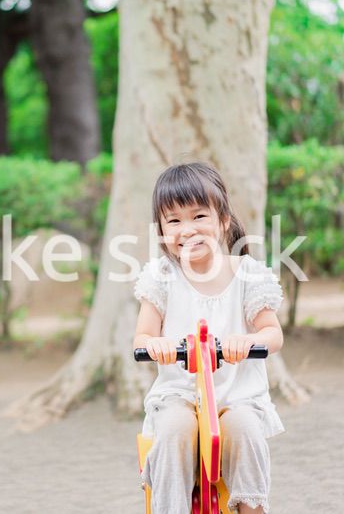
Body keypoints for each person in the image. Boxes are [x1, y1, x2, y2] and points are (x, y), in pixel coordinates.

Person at [132, 162, 285, 514]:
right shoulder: (162, 276)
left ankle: (252, 507)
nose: (188, 229)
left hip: (237, 394)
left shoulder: (247, 274)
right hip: (180, 393)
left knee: (245, 429)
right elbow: (141, 338)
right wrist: (155, 345)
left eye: (199, 216)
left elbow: (272, 334)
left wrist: (247, 342)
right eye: (174, 221)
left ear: (223, 221)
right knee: (173, 429)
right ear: (161, 232)